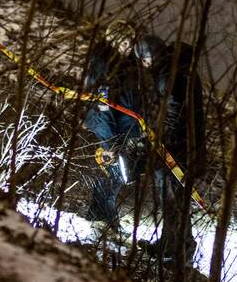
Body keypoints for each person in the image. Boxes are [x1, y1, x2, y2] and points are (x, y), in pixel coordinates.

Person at [132, 33, 206, 265]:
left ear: (151, 57)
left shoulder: (171, 75)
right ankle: (169, 244)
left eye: (143, 60)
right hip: (183, 145)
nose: (143, 66)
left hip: (178, 148)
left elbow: (174, 111)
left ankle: (178, 251)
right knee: (170, 198)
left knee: (173, 198)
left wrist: (162, 138)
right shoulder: (179, 70)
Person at [81, 31, 150, 230]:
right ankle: (101, 218)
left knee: (119, 173)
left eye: (132, 43)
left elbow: (128, 100)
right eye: (126, 41)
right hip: (109, 127)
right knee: (112, 171)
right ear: (115, 39)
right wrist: (109, 140)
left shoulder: (126, 65)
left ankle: (102, 216)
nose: (130, 47)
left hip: (122, 127)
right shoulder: (103, 63)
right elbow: (101, 104)